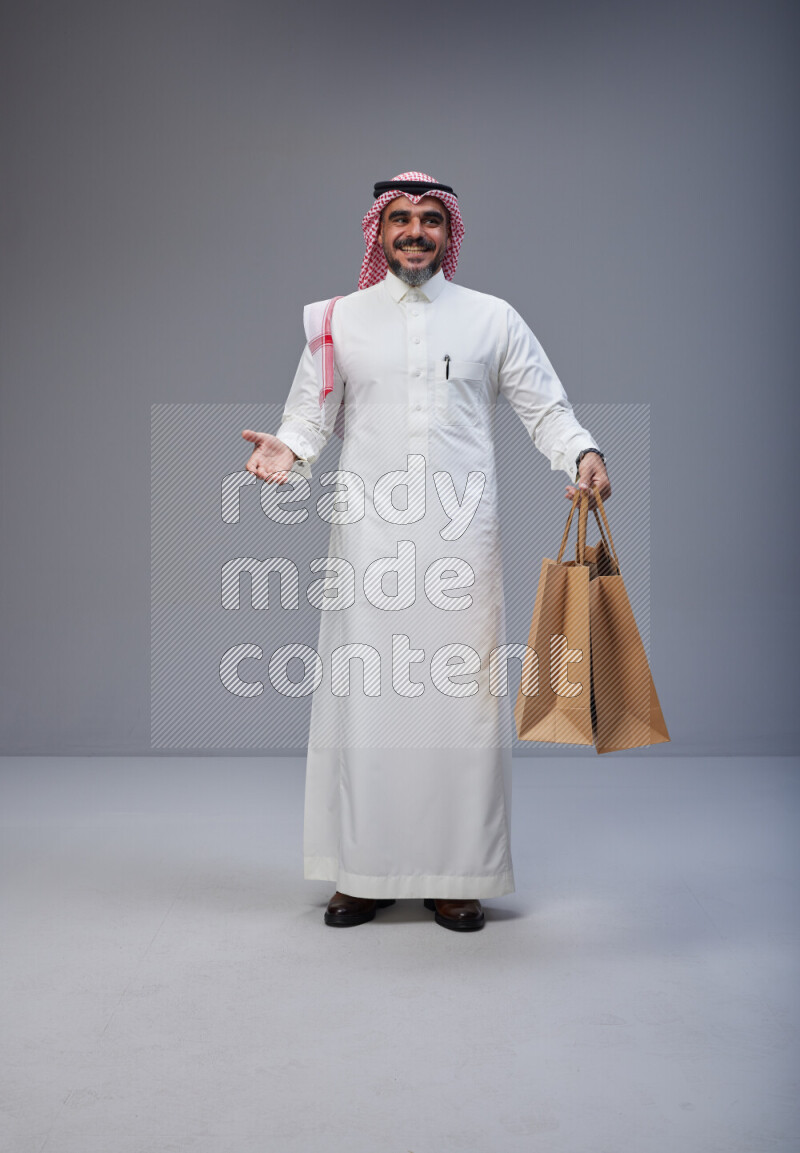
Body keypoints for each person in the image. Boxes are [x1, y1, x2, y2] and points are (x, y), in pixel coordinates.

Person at [241, 171, 610, 932]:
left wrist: (581, 454)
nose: (415, 231)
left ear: (450, 233)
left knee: (460, 705)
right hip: (368, 539)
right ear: (377, 232)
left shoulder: (491, 320)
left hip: (460, 541)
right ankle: (364, 873)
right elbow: (310, 416)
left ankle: (457, 875)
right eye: (400, 219)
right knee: (368, 703)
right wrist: (289, 451)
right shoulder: (334, 319)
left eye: (430, 220)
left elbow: (545, 404)